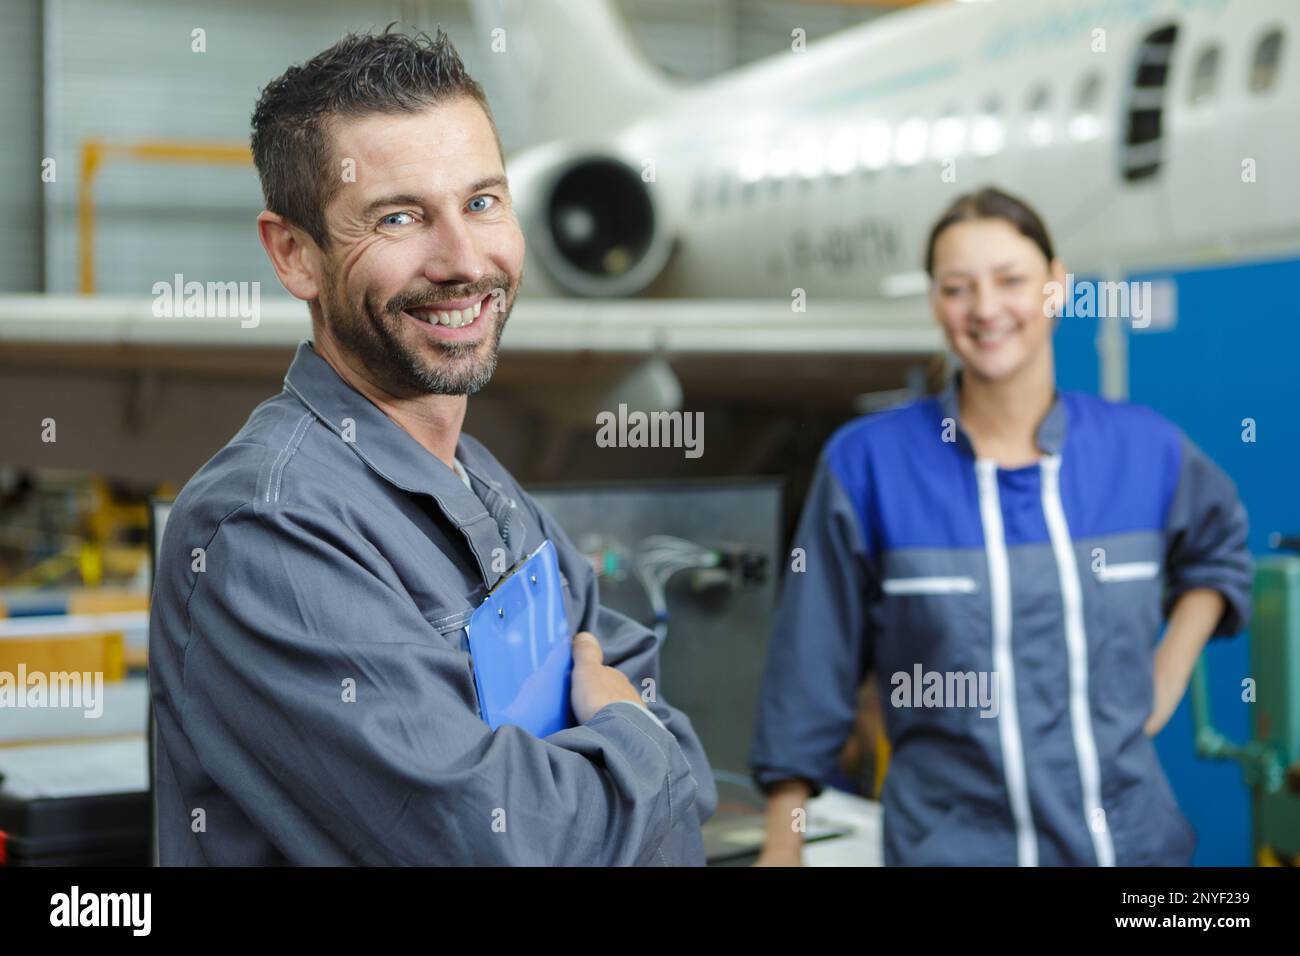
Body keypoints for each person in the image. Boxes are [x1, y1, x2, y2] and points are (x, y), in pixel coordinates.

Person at [149, 27, 715, 866]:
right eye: (401, 216)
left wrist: (622, 757)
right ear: (295, 254)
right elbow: (503, 843)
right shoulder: (267, 533)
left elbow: (668, 725)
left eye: (483, 202)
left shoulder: (480, 483)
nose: (462, 261)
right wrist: (631, 736)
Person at [750, 186, 1252, 866]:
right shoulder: (870, 465)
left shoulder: (1142, 449)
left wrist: (1168, 673)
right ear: (934, 303)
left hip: (1133, 856)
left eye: (1011, 280)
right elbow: (810, 670)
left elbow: (1218, 550)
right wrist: (786, 846)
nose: (986, 309)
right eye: (958, 288)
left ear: (1055, 287)